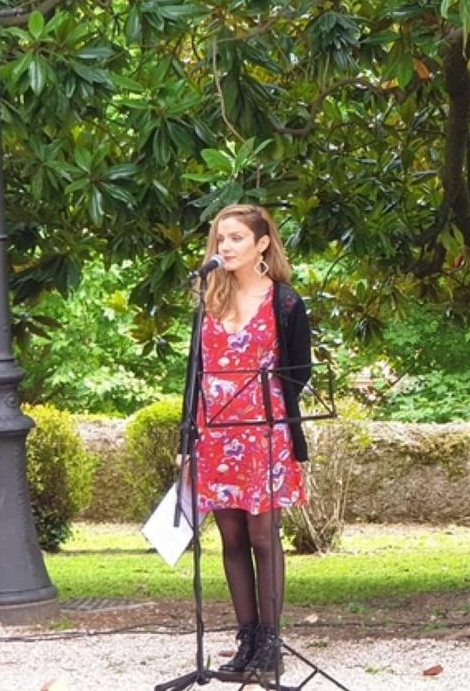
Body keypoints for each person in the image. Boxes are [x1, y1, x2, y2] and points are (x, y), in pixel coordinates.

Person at [180, 203, 312, 679]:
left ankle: (271, 645)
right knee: (231, 538)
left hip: (264, 436)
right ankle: (247, 639)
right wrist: (187, 441)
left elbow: (300, 371)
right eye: (220, 239)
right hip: (215, 435)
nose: (226, 246)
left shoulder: (285, 302)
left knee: (262, 536)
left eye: (236, 238)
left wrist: (269, 409)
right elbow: (194, 374)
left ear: (262, 244)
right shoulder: (209, 299)